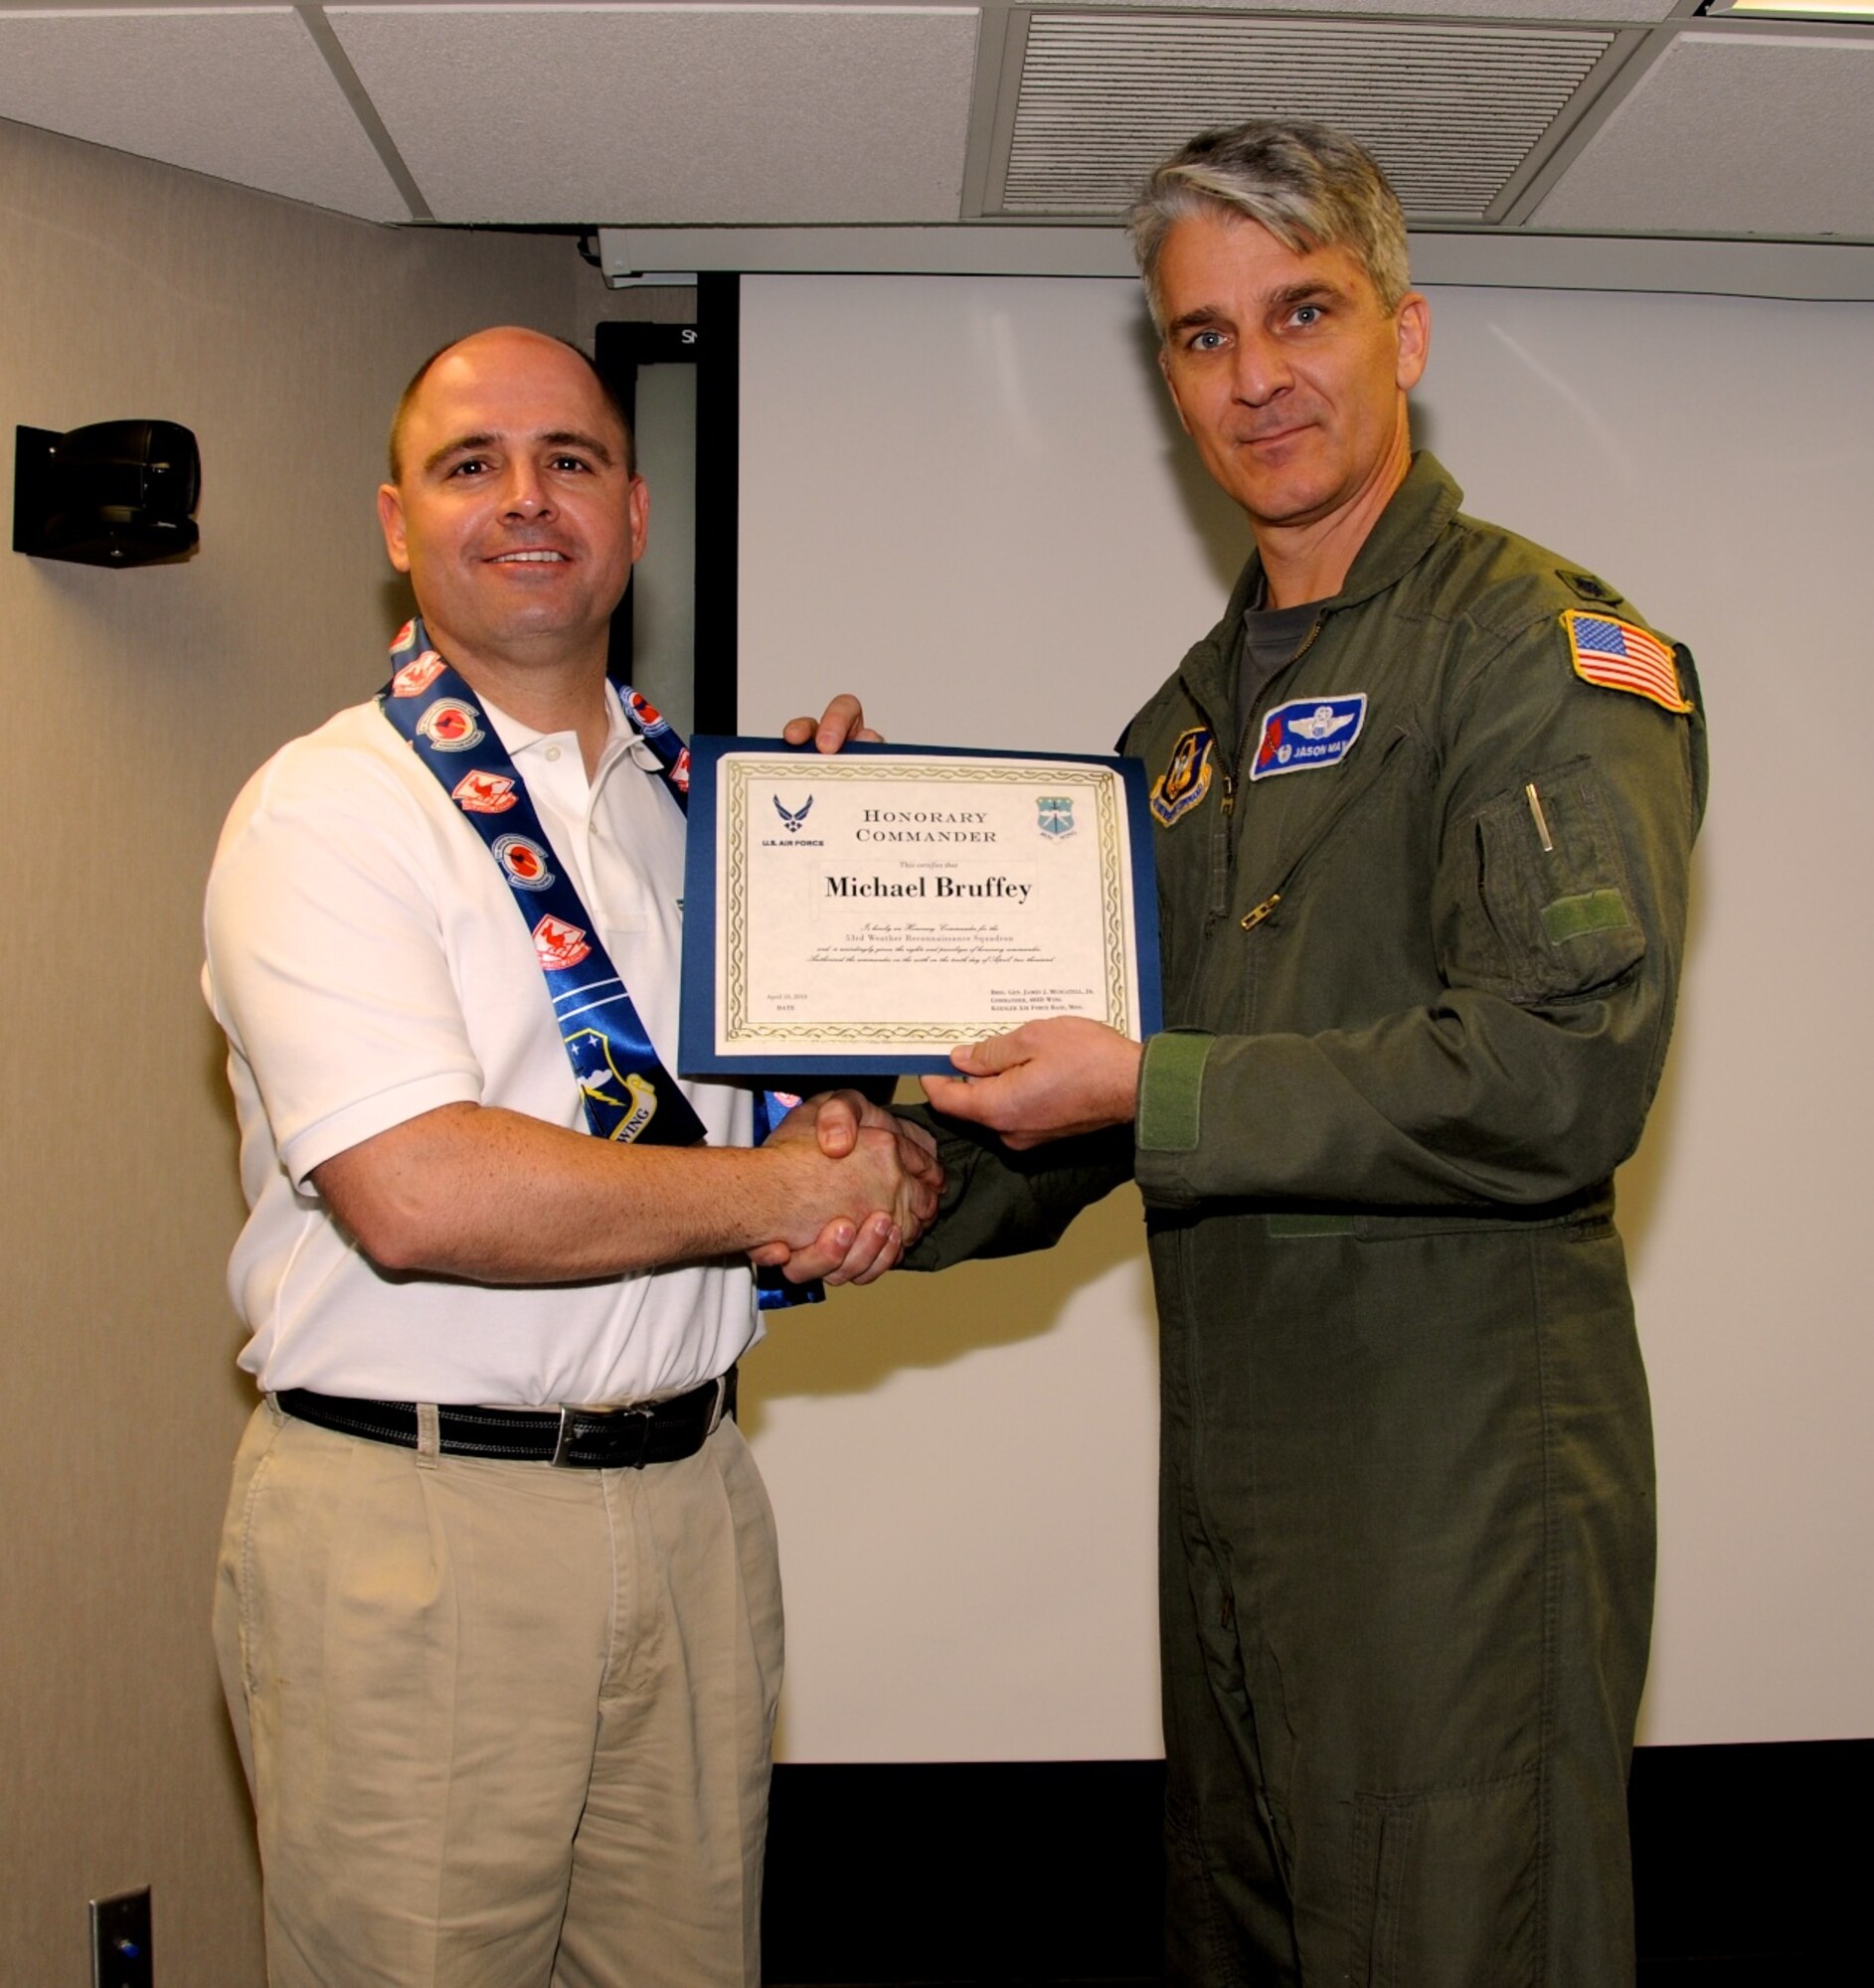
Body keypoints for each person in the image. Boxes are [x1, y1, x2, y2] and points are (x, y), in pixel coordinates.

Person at [804, 122, 1707, 1983]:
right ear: (1167, 380)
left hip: (1449, 1487)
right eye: (1204, 337)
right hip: (1232, 1501)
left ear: (1407, 332)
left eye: (1302, 313)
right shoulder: (1181, 728)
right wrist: (864, 1065)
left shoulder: (1540, 647)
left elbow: (1558, 1071)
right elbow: (1070, 1094)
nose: (1258, 375)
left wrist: (1154, 1090)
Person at [203, 325, 938, 1988]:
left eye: (570, 460)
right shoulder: (330, 811)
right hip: (419, 1530)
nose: (526, 499)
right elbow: (415, 1190)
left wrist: (870, 925)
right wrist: (780, 1196)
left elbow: (786, 1139)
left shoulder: (724, 809)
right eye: (472, 466)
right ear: (399, 525)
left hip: (690, 1510)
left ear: (635, 511)